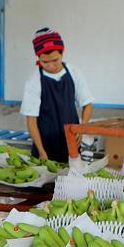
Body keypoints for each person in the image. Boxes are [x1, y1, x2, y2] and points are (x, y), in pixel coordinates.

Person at [20, 28, 95, 163]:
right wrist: (42, 152)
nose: (50, 65)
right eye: (45, 62)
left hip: (71, 139)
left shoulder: (74, 72)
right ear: (38, 58)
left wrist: (82, 128)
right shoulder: (34, 81)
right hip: (45, 143)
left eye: (55, 60)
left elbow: (87, 104)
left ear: (62, 53)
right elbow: (31, 121)